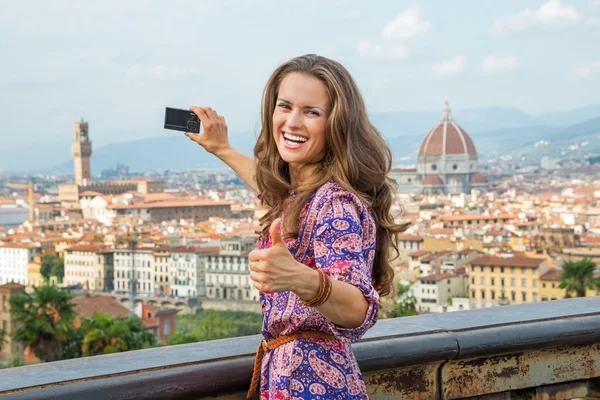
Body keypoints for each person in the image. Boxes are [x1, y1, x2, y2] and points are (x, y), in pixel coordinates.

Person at [186, 54, 408, 400]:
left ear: (337, 123)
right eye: (285, 106)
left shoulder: (336, 204)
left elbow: (360, 309)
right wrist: (222, 149)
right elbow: (268, 183)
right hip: (292, 378)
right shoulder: (303, 193)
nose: (292, 122)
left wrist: (298, 278)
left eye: (311, 112)